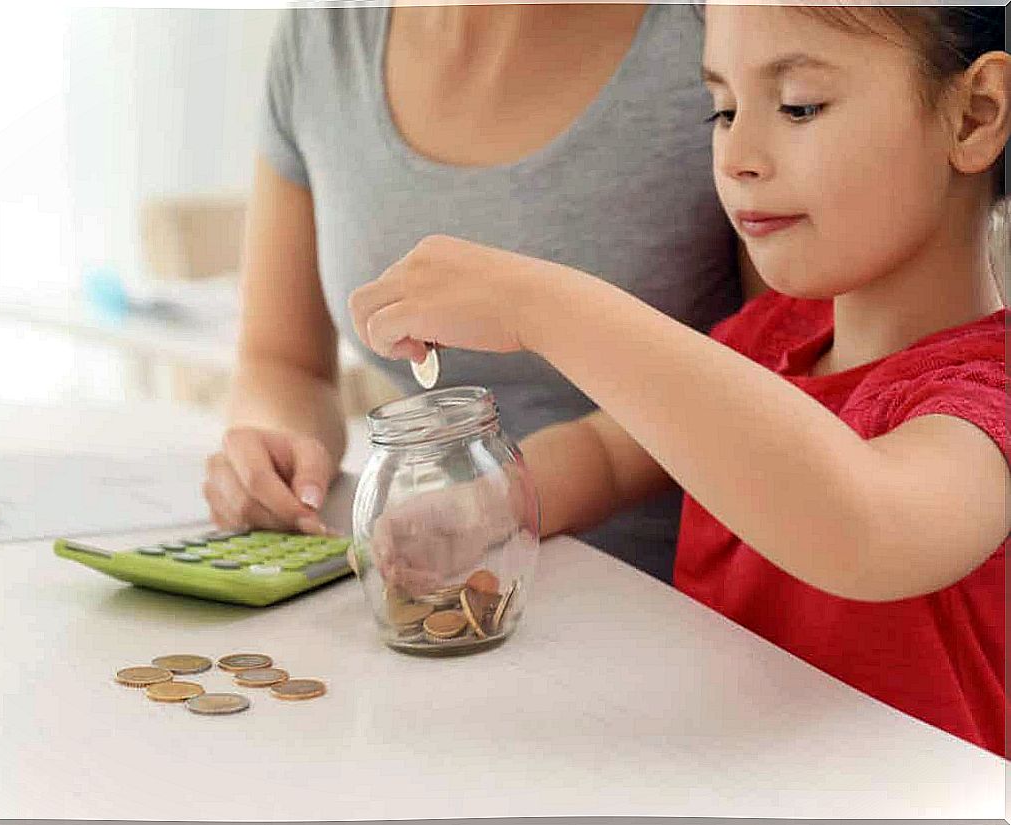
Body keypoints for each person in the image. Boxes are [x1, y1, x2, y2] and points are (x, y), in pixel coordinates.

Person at [348, 5, 1009, 756]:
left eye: (798, 106)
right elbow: (606, 452)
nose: (739, 156)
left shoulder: (990, 396)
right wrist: (476, 509)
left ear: (973, 116)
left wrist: (540, 305)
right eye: (723, 111)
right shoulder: (769, 339)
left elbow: (867, 525)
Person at [202, 3, 766, 584]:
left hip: (678, 599)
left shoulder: (717, 26)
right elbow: (282, 362)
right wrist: (278, 454)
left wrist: (499, 502)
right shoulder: (325, 30)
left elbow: (777, 367)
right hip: (422, 576)